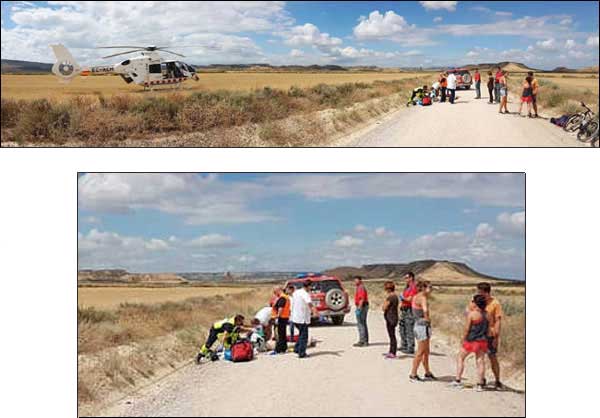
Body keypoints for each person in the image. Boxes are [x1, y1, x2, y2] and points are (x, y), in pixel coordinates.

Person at [452, 294, 489, 392]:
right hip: (483, 340)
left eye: (472, 301)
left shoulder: (472, 314)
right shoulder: (487, 314)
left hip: (471, 340)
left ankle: (458, 380)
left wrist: (463, 339)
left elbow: (466, 329)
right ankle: (480, 384)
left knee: (460, 358)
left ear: (476, 303)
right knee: (480, 362)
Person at [477, 282, 504, 389]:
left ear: (486, 292)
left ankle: (497, 380)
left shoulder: (495, 303)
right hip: (479, 333)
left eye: (480, 292)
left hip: (490, 334)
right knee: (480, 358)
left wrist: (496, 336)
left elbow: (498, 320)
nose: (478, 293)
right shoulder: (477, 301)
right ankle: (481, 379)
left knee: (492, 357)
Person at [409, 281, 435, 382]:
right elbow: (425, 310)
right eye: (430, 287)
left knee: (426, 351)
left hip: (418, 325)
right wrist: (427, 319)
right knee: (420, 352)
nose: (431, 289)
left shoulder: (416, 296)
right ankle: (413, 374)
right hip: (422, 326)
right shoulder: (422, 298)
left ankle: (427, 372)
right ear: (423, 288)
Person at [290, 280, 314, 358]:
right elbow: (309, 303)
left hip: (295, 317)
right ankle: (302, 353)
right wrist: (315, 312)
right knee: (304, 336)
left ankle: (297, 348)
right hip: (302, 318)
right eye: (311, 286)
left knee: (301, 334)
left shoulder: (296, 292)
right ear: (309, 286)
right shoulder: (305, 294)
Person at [399, 272, 418, 354]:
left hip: (409, 310)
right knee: (402, 328)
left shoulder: (413, 287)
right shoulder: (407, 287)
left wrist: (403, 298)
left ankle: (410, 347)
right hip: (404, 309)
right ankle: (404, 345)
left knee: (409, 328)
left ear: (411, 278)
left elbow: (410, 299)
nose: (405, 279)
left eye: (406, 278)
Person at [271, 285, 292, 354]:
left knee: (279, 334)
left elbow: (280, 308)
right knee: (283, 334)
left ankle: (279, 349)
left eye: (274, 291)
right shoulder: (286, 297)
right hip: (285, 317)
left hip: (280, 318)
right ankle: (283, 348)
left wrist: (277, 317)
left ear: (278, 290)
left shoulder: (282, 298)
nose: (274, 293)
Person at [382, 280, 399, 359]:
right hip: (393, 317)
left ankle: (393, 352)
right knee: (392, 335)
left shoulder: (390, 297)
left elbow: (384, 307)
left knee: (392, 336)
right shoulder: (395, 296)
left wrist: (385, 301)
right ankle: (391, 351)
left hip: (391, 318)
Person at [353, 276, 370, 347]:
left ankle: (362, 341)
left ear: (360, 280)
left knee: (361, 324)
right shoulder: (359, 287)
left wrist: (359, 308)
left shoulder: (361, 288)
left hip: (362, 306)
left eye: (356, 280)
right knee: (363, 323)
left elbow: (361, 299)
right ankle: (365, 340)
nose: (355, 282)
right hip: (362, 306)